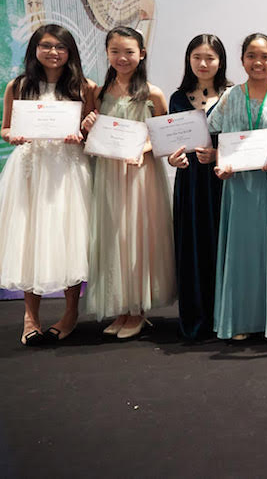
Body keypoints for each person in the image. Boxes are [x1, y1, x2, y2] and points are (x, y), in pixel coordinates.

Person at [0, 24, 95, 345]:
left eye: (60, 47)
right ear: (35, 49)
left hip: (67, 170)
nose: (53, 52)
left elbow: (92, 133)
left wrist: (82, 133)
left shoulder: (84, 87)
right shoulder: (18, 85)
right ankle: (30, 317)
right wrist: (12, 135)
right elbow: (5, 127)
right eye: (46, 46)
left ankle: (70, 312)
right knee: (29, 237)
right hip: (30, 169)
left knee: (69, 237)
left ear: (70, 52)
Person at [83, 26, 175, 340]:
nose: (122, 58)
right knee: (113, 237)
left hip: (140, 174)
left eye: (129, 52)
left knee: (136, 237)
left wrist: (142, 149)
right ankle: (121, 309)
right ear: (107, 54)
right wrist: (89, 125)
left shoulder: (153, 93)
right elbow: (91, 134)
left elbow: (163, 136)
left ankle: (137, 311)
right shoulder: (98, 92)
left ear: (142, 54)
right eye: (115, 51)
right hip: (108, 173)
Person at [208, 33, 267, 341]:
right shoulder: (230, 96)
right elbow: (216, 134)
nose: (258, 62)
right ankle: (240, 321)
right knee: (242, 253)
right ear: (242, 60)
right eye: (251, 56)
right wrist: (220, 164)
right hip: (239, 184)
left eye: (264, 56)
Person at [165, 34, 230, 339]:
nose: (203, 63)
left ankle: (224, 318)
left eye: (210, 58)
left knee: (221, 246)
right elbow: (170, 144)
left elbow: (242, 139)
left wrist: (217, 154)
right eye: (197, 57)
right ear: (188, 60)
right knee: (192, 247)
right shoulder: (177, 98)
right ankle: (195, 319)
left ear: (221, 61)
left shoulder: (232, 95)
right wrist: (173, 159)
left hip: (222, 181)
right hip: (189, 183)